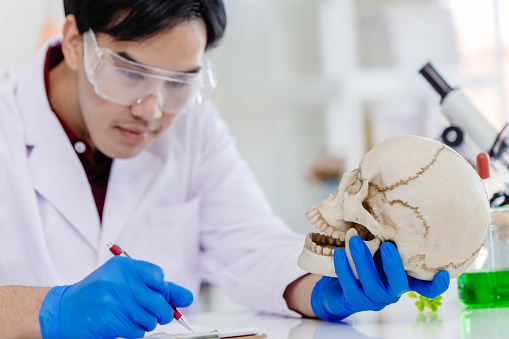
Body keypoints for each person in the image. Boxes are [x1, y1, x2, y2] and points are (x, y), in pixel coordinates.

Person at [0, 0, 449, 337]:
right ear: (77, 43)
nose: (152, 110)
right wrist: (49, 310)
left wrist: (321, 284)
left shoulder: (192, 125)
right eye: (130, 73)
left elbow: (249, 241)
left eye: (178, 82)